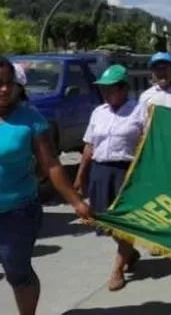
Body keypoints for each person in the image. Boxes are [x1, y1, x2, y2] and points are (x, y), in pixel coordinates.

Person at [0, 56, 92, 315]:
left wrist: (75, 201)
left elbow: (51, 165)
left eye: (9, 83)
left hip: (17, 211)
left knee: (17, 271)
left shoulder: (31, 119)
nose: (5, 89)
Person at [73, 65, 147, 292]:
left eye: (111, 88)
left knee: (123, 223)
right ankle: (129, 252)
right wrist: (80, 177)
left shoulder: (140, 110)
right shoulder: (99, 112)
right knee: (104, 222)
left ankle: (117, 269)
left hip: (127, 171)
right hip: (100, 171)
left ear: (124, 88)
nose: (106, 93)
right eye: (103, 89)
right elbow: (89, 146)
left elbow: (149, 142)